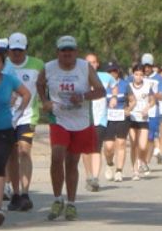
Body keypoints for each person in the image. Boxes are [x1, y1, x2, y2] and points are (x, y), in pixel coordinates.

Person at [36, 35, 106, 222]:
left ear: (76, 52)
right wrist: (45, 101)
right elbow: (39, 83)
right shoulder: (49, 67)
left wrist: (83, 96)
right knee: (57, 155)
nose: (67, 54)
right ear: (57, 52)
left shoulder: (85, 67)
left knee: (72, 162)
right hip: (59, 117)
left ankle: (72, 203)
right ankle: (58, 199)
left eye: (70, 50)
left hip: (81, 120)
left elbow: (101, 91)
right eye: (63, 50)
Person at [0, 50, 31, 225]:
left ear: (2, 65)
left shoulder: (9, 80)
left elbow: (26, 94)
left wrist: (17, 113)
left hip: (4, 130)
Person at [4, 32, 44, 212]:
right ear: (8, 50)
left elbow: (44, 86)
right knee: (12, 154)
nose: (17, 54)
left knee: (24, 151)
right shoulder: (2, 65)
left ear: (26, 49)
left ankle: (25, 193)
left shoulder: (37, 65)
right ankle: (16, 193)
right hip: (6, 116)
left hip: (27, 115)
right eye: (13, 51)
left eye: (20, 50)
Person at [82, 53, 112, 192]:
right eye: (89, 62)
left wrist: (114, 97)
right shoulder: (79, 77)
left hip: (100, 118)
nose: (91, 65)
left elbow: (115, 87)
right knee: (86, 150)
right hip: (83, 119)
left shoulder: (106, 77)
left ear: (97, 64)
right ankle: (88, 175)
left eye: (94, 62)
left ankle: (95, 178)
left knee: (96, 149)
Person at [102, 61, 134, 182]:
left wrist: (129, 109)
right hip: (107, 118)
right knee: (109, 146)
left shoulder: (125, 84)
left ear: (118, 71)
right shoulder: (102, 85)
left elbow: (133, 100)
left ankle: (119, 171)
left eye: (114, 71)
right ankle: (110, 163)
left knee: (121, 143)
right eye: (109, 71)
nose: (112, 73)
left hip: (122, 117)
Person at [127, 64, 155, 180]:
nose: (138, 77)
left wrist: (147, 108)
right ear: (133, 74)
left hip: (143, 118)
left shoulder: (148, 86)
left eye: (141, 75)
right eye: (136, 74)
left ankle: (142, 160)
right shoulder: (128, 86)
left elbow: (153, 101)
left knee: (143, 146)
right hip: (132, 118)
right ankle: (135, 171)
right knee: (134, 145)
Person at [140, 54, 162, 170]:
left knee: (150, 137)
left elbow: (161, 96)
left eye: (149, 66)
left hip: (153, 111)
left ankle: (146, 161)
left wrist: (152, 94)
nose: (146, 69)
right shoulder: (138, 76)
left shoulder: (158, 78)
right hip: (139, 110)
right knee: (140, 136)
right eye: (145, 66)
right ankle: (140, 160)